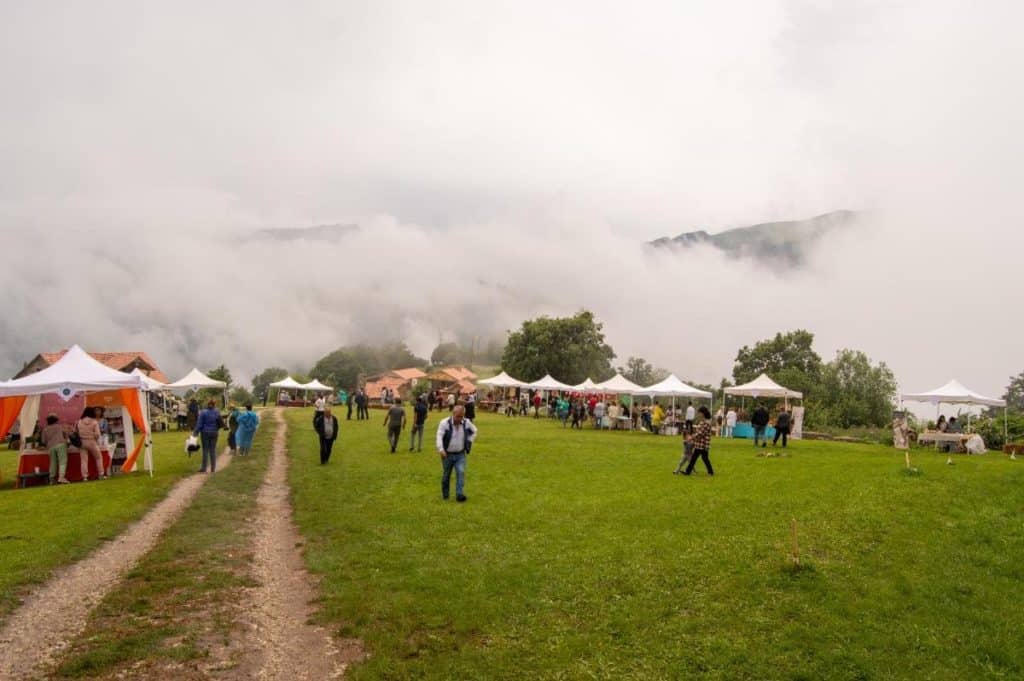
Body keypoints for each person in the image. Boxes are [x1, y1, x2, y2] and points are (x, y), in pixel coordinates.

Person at [436, 405, 478, 502]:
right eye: (458, 416)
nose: (459, 419)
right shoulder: (444, 423)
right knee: (446, 475)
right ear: (453, 414)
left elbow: (475, 431)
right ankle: (445, 495)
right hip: (447, 454)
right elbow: (439, 436)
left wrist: (469, 440)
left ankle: (459, 495)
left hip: (460, 454)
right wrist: (441, 449)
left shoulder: (466, 422)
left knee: (461, 472)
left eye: (461, 416)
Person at [681, 407, 715, 476]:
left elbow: (701, 433)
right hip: (700, 443)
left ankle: (688, 471)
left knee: (701, 458)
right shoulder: (703, 421)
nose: (698, 414)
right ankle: (688, 471)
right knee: (698, 457)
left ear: (703, 413)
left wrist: (691, 437)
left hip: (703, 444)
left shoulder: (707, 422)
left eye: (699, 413)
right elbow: (699, 432)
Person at [193, 399, 224, 473]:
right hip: (214, 432)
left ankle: (204, 468)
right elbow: (220, 421)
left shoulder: (203, 412)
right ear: (214, 405)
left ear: (208, 404)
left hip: (205, 433)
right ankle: (213, 469)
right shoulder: (217, 412)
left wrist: (195, 432)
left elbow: (199, 424)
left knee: (205, 450)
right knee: (213, 450)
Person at [76, 407, 106, 480]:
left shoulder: (79, 422)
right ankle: (101, 474)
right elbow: (97, 434)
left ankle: (85, 477)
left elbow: (76, 432)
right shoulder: (94, 422)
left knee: (84, 460)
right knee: (98, 458)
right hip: (92, 442)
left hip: (82, 443)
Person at [41, 413, 70, 484]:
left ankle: (52, 479)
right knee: (62, 461)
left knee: (52, 462)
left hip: (50, 446)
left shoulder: (45, 429)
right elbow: (66, 434)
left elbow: (43, 441)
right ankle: (61, 477)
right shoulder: (60, 426)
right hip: (60, 444)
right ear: (56, 420)